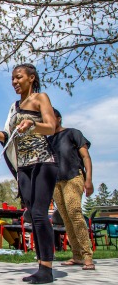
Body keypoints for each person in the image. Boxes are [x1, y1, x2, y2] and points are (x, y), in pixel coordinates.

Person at [0, 63, 57, 284]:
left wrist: (32, 124)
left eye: (18, 77)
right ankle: (41, 263)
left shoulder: (41, 98)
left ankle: (46, 268)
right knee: (32, 214)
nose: (14, 82)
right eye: (12, 79)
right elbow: (7, 136)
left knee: (40, 213)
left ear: (31, 78)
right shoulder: (15, 106)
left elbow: (50, 126)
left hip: (43, 162)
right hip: (23, 166)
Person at [50, 108, 95, 270]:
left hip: (73, 177)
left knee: (75, 213)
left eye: (50, 116)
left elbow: (85, 156)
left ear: (59, 118)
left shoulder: (72, 133)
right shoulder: (49, 140)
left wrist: (88, 179)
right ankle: (76, 255)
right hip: (56, 182)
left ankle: (87, 255)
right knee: (66, 218)